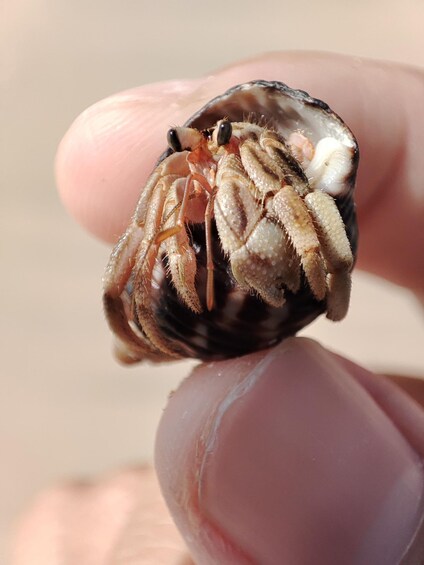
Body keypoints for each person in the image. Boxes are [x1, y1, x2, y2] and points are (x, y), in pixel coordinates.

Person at [13, 52, 424, 564]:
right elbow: (144, 229)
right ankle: (132, 335)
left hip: (271, 198)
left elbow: (299, 223)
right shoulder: (185, 172)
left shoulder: (253, 158)